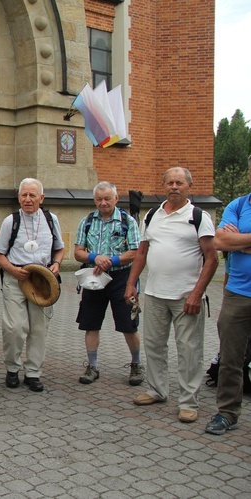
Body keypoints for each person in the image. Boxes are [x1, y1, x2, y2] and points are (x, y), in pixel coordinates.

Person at [125, 167, 218, 424]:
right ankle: (157, 390)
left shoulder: (198, 217)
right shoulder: (152, 215)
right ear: (163, 185)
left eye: (179, 183)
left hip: (186, 295)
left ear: (189, 186)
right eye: (170, 183)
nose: (174, 187)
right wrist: (131, 284)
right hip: (155, 293)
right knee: (154, 345)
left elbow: (212, 258)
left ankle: (188, 402)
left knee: (189, 350)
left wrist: (197, 294)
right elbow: (142, 252)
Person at [0, 178, 64, 392]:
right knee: (14, 327)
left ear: (41, 198)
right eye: (24, 195)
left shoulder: (51, 219)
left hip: (42, 280)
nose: (28, 199)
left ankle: (33, 372)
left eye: (33, 195)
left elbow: (59, 248)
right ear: (18, 197)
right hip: (16, 278)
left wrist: (57, 264)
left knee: (39, 328)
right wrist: (12, 270)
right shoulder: (10, 221)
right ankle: (12, 369)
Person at [74, 182, 143, 385]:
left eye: (107, 199)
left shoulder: (127, 221)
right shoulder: (87, 221)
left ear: (116, 198)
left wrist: (111, 260)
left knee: (128, 324)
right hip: (94, 277)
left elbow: (136, 252)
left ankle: (136, 365)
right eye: (99, 199)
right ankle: (92, 366)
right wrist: (94, 257)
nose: (103, 203)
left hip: (122, 278)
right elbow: (78, 252)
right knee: (90, 323)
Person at [205, 156, 251, 435]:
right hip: (238, 294)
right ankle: (227, 413)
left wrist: (241, 242)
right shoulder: (239, 205)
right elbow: (220, 241)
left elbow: (231, 242)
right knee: (230, 359)